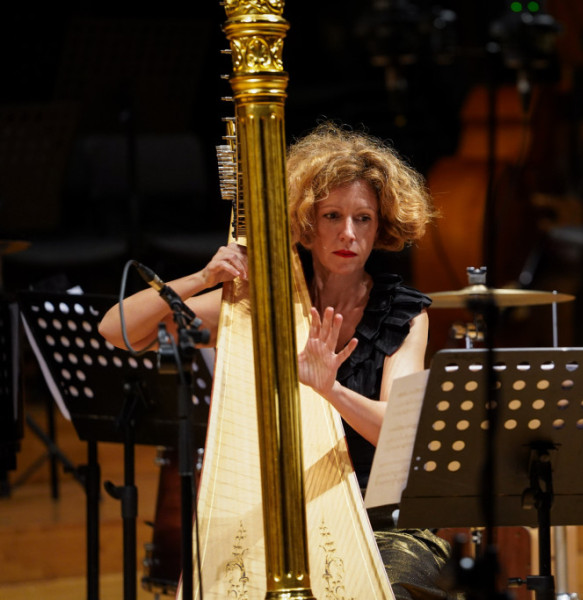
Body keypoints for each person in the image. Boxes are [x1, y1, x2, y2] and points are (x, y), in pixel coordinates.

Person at [98, 121, 460, 600]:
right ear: (305, 227)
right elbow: (117, 329)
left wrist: (330, 388)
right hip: (283, 512)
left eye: (363, 218)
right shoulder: (259, 306)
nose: (347, 233)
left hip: (383, 525)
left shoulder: (403, 313)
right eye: (331, 216)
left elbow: (398, 433)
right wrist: (201, 278)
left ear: (383, 225)